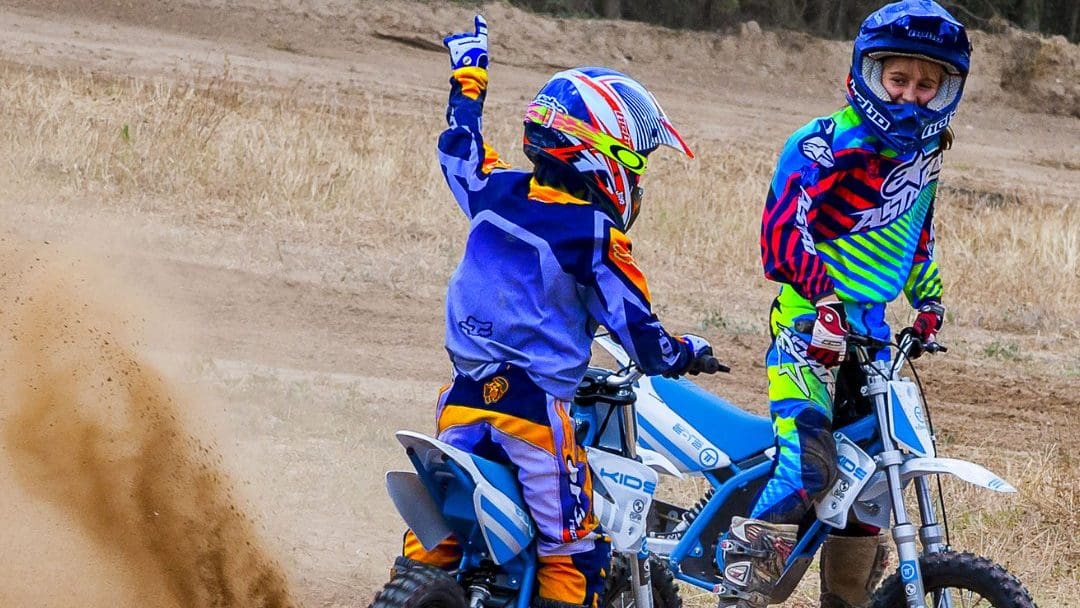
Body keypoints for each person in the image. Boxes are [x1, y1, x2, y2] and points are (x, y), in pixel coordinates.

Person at [398, 15, 721, 608]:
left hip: (459, 402)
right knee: (572, 552)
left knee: (435, 537)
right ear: (603, 154)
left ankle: (413, 587)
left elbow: (460, 145)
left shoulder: (494, 191)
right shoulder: (595, 235)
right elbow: (641, 333)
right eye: (636, 162)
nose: (637, 177)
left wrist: (469, 74)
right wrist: (686, 352)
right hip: (533, 416)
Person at [716, 2, 972, 607]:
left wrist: (929, 302)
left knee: (873, 479)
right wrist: (825, 297)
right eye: (898, 79)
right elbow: (781, 237)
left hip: (875, 338)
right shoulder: (822, 145)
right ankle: (740, 595)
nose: (910, 95)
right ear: (870, 72)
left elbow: (916, 233)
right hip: (807, 326)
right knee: (808, 464)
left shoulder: (925, 154)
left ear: (944, 90)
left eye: (926, 84)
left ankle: (848, 600)